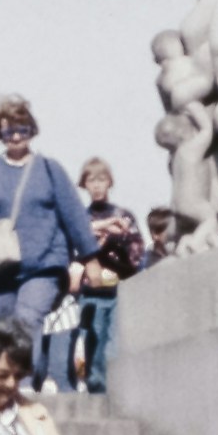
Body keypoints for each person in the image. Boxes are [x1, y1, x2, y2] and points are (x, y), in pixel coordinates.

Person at [0, 98, 96, 394]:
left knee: (26, 319)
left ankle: (22, 385)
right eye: (7, 131)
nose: (15, 136)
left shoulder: (50, 170)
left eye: (21, 129)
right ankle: (9, 385)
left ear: (31, 130)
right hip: (3, 268)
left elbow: (74, 214)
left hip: (44, 264)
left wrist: (90, 257)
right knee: (6, 328)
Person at [68, 158, 141, 395]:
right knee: (94, 344)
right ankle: (97, 393)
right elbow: (75, 246)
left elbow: (136, 253)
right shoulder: (80, 217)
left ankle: (117, 393)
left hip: (120, 290)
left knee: (114, 345)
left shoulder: (124, 214)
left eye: (101, 179)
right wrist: (105, 230)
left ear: (109, 182)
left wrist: (114, 236)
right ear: (84, 185)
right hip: (91, 293)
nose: (97, 185)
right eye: (91, 180)